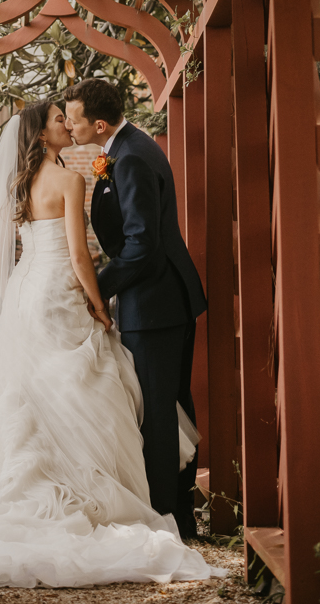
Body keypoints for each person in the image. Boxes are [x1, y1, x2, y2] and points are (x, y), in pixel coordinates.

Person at [0, 100, 223, 602]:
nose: (66, 125)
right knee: (76, 385)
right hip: (60, 294)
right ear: (41, 134)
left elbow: (35, 245)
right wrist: (99, 305)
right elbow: (74, 253)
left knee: (23, 387)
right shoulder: (70, 180)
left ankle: (7, 490)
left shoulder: (15, 183)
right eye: (58, 120)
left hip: (26, 294)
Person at [63, 79, 207, 541]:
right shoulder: (127, 148)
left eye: (74, 119)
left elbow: (143, 246)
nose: (68, 125)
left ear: (98, 124)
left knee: (160, 414)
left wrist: (96, 288)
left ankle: (169, 522)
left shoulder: (130, 160)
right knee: (171, 410)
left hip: (156, 306)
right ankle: (179, 514)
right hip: (164, 301)